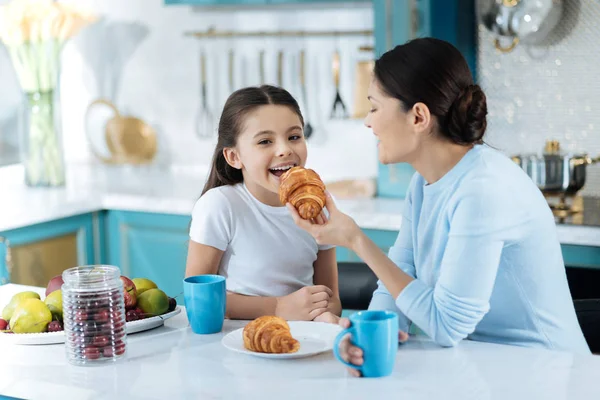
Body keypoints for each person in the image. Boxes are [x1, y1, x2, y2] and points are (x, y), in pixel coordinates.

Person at [288, 38, 590, 375]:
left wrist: (356, 239)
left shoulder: (483, 189)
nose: (368, 122)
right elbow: (398, 277)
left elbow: (446, 326)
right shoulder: (423, 183)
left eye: (374, 107)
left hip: (546, 374)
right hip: (482, 367)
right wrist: (369, 335)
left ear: (418, 116)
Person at [185, 85, 341, 323]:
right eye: (265, 141)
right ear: (234, 157)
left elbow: (332, 300)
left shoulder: (318, 204)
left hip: (305, 340)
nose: (285, 149)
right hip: (236, 343)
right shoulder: (220, 206)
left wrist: (325, 317)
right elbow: (199, 299)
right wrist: (278, 308)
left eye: (294, 137)